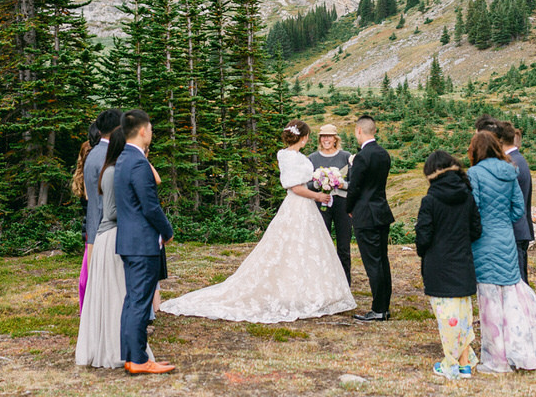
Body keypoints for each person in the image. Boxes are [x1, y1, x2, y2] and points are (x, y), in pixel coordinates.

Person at [161, 121, 356, 323]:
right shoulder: (288, 156)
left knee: (308, 248)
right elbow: (294, 187)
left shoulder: (298, 156)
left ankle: (307, 289)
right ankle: (291, 290)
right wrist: (318, 197)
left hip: (306, 207)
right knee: (290, 246)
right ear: (304, 137)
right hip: (299, 204)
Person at [466, 131, 536, 373]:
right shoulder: (509, 171)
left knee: (489, 301)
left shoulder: (474, 174)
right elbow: (519, 209)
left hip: (484, 242)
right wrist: (502, 221)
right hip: (506, 238)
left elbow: (472, 209)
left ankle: (496, 360)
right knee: (510, 298)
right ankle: (519, 350)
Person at [74, 127, 144, 369]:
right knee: (117, 291)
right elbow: (112, 212)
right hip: (113, 235)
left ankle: (114, 342)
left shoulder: (110, 169)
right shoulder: (113, 172)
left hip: (107, 235)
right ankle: (117, 346)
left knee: (113, 291)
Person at [113, 109, 176, 375]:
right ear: (142, 131)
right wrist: (168, 230)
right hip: (141, 243)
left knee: (133, 300)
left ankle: (132, 356)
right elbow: (150, 206)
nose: (151, 133)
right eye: (150, 128)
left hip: (129, 240)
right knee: (139, 301)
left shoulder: (122, 159)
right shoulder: (138, 163)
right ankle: (138, 359)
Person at [415, 150, 481, 380]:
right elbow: (476, 230)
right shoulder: (467, 196)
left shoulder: (430, 200)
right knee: (462, 317)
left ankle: (452, 364)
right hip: (462, 263)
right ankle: (464, 363)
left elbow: (423, 236)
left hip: (438, 265)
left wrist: (425, 252)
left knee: (447, 319)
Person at [346, 114, 393, 321]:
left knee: (372, 263)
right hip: (381, 211)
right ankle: (384, 305)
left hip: (365, 215)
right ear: (374, 131)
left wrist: (348, 207)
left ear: (359, 131)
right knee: (382, 260)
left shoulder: (362, 157)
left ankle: (378, 309)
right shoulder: (384, 154)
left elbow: (355, 187)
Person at [77, 110, 123, 312]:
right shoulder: (109, 155)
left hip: (94, 226)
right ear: (116, 130)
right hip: (108, 227)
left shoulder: (91, 154)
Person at [309, 124, 353, 278]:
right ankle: (324, 281)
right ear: (320, 139)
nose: (326, 139)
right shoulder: (312, 158)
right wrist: (318, 184)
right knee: (321, 245)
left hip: (342, 205)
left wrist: (342, 184)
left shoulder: (346, 156)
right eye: (323, 136)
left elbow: (355, 184)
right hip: (321, 204)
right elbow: (306, 184)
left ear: (335, 139)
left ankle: (344, 282)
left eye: (329, 136)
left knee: (343, 246)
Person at [497, 121, 534, 284]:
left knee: (518, 285)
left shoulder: (511, 163)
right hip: (520, 230)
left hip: (514, 232)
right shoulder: (518, 159)